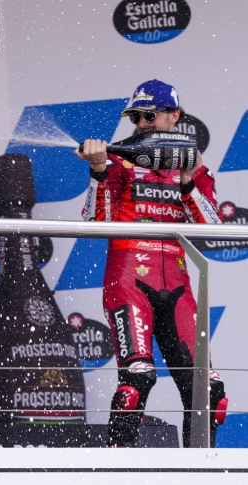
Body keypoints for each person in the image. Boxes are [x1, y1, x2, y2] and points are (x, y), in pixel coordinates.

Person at [75, 79, 227, 447]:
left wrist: (189, 182)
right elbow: (96, 223)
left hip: (178, 287)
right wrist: (98, 170)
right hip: (129, 283)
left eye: (149, 114)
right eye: (136, 116)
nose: (141, 122)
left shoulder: (194, 168)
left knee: (210, 391)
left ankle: (200, 476)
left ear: (174, 116)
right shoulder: (117, 160)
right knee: (136, 381)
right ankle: (118, 471)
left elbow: (211, 229)